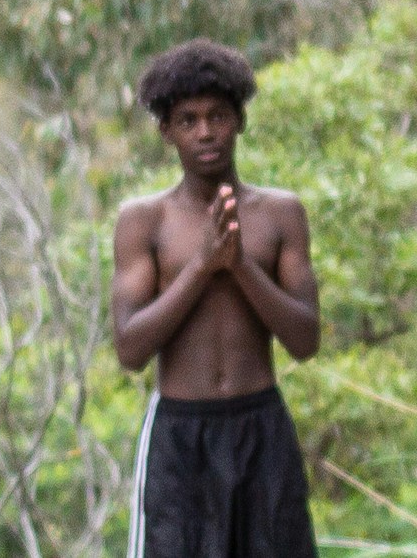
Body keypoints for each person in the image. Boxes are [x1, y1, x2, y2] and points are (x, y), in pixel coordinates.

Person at [110, 39, 323, 558]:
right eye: (188, 120)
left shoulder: (280, 214)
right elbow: (130, 350)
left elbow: (305, 340)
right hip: (179, 436)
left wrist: (240, 265)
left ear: (240, 121)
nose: (205, 132)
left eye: (218, 116)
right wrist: (202, 266)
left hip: (261, 430)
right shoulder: (144, 222)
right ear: (167, 131)